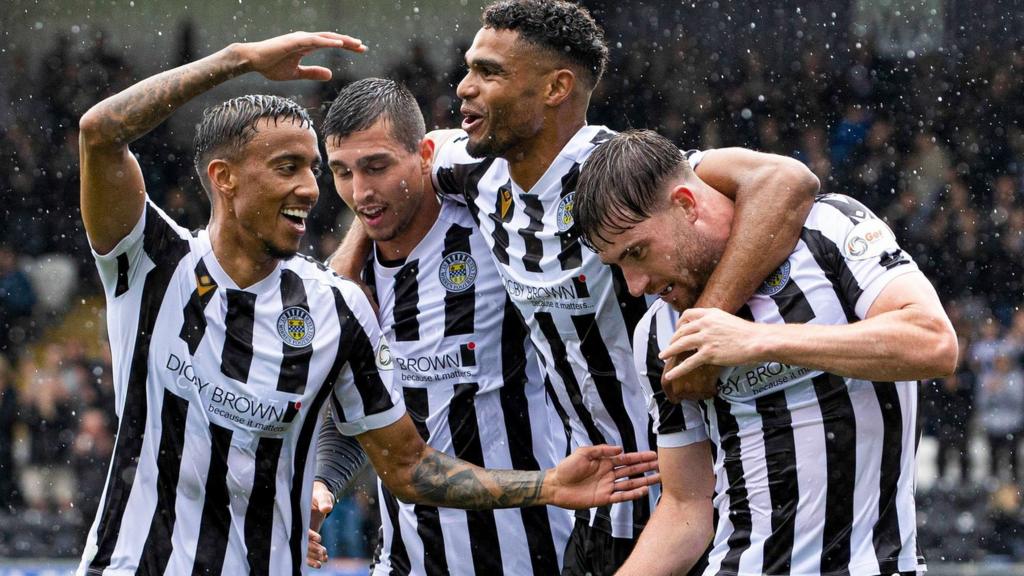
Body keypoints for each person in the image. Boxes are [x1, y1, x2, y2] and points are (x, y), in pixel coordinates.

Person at [75, 31, 658, 575]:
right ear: (223, 177)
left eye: (368, 168)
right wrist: (240, 60)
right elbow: (100, 133)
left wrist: (549, 485)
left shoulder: (472, 232)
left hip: (530, 552)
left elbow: (406, 462)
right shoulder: (158, 266)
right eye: (323, 171)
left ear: (424, 155)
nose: (328, 190)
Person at [329, 2, 821, 572]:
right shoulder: (474, 164)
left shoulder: (617, 172)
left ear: (556, 87)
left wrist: (699, 334)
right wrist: (347, 267)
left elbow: (785, 180)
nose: (464, 88)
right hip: (595, 507)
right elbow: (387, 177)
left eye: (489, 73)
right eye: (468, 68)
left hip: (689, 503)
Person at [572, 129, 959, 576]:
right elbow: (686, 507)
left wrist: (760, 341)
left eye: (637, 253)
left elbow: (933, 342)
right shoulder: (660, 333)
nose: (635, 285)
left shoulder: (827, 232)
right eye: (618, 266)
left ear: (686, 204)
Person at [310, 77, 573, 574]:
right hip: (407, 560)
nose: (360, 192)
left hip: (537, 552)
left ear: (426, 152)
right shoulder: (346, 287)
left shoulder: (493, 229)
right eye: (342, 172)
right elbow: (361, 412)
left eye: (378, 167)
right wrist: (323, 483)